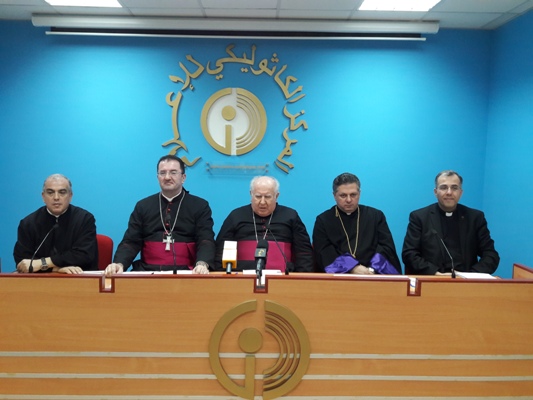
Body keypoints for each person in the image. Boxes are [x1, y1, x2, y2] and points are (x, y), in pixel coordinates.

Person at [105, 155, 215, 275]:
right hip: (147, 271)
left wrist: (202, 263)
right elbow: (131, 241)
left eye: (173, 172)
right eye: (162, 173)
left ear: (183, 177)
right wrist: (119, 263)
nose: (167, 177)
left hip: (186, 271)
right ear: (158, 177)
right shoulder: (143, 206)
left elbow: (205, 240)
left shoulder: (199, 205)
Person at [402, 170, 499, 275]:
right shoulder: (419, 217)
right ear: (435, 192)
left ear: (460, 193)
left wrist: (470, 275)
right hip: (432, 278)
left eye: (454, 188)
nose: (449, 192)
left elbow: (491, 255)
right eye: (443, 187)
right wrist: (435, 273)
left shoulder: (475, 218)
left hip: (467, 280)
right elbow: (409, 254)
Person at [215, 176, 313, 273]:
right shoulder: (236, 216)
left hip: (283, 276)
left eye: (267, 197)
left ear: (276, 196)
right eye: (258, 196)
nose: (262, 202)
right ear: (251, 194)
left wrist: (301, 278)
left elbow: (304, 252)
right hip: (242, 276)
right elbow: (221, 250)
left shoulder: (290, 216)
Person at [313, 173, 401, 274]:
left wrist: (371, 270)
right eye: (343, 195)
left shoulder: (376, 216)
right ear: (334, 196)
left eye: (353, 195)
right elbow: (324, 252)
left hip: (373, 274)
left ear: (359, 193)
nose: (349, 200)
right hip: (339, 277)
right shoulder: (323, 220)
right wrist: (352, 268)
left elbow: (386, 248)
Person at [14, 174, 98, 274]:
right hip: (40, 280)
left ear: (70, 196)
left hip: (79, 278)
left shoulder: (85, 219)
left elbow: (84, 255)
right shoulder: (28, 223)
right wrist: (56, 269)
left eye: (62, 192)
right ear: (43, 196)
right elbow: (23, 262)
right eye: (50, 193)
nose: (56, 197)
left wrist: (43, 263)